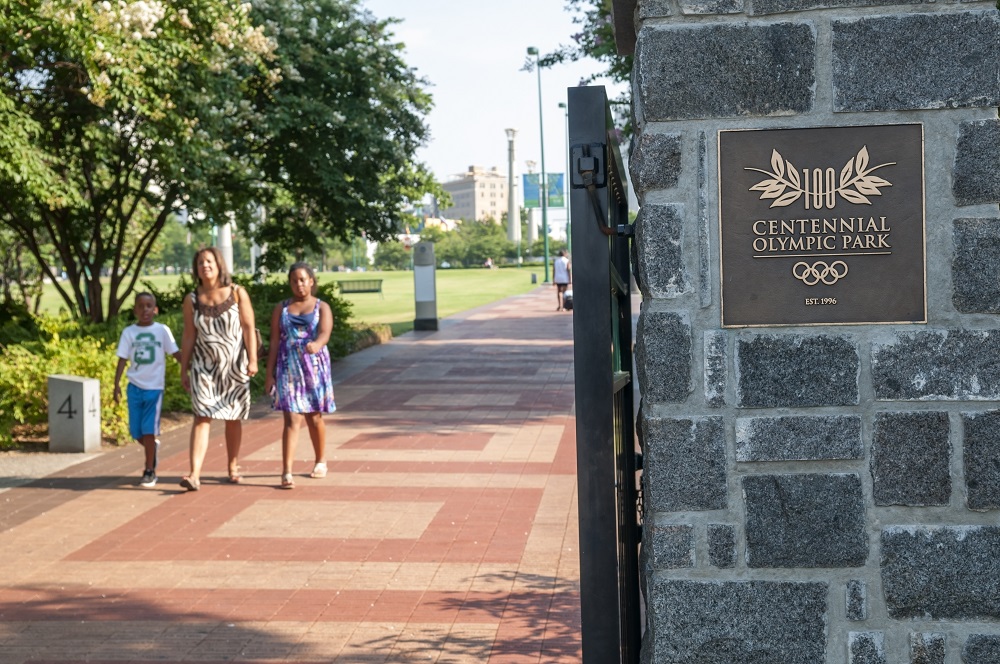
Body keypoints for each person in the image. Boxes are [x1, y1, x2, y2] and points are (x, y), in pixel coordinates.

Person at [179, 247, 258, 491]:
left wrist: (252, 359)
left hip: (234, 365)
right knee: (202, 415)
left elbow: (248, 327)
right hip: (204, 367)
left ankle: (233, 467)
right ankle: (194, 474)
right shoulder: (191, 299)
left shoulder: (237, 293)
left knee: (233, 417)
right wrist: (184, 368)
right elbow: (189, 336)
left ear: (218, 264)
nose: (205, 265)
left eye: (209, 261)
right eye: (201, 262)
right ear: (197, 269)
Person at [264, 262, 336, 489]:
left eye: (303, 280)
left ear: (311, 281)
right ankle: (286, 472)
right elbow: (275, 341)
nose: (299, 284)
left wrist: (317, 344)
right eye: (294, 281)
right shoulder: (282, 308)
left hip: (313, 366)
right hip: (288, 367)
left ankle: (320, 460)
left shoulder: (321, 306)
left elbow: (325, 333)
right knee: (291, 418)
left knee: (313, 417)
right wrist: (269, 374)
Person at [113, 292, 181, 488]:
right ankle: (152, 449)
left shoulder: (162, 331)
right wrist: (116, 384)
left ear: (155, 309)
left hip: (154, 388)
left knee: (149, 430)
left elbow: (175, 353)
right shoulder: (129, 332)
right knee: (136, 432)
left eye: (149, 306)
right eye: (141, 306)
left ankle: (149, 470)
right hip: (134, 386)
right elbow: (122, 359)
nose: (145, 310)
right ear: (135, 310)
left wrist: (191, 369)